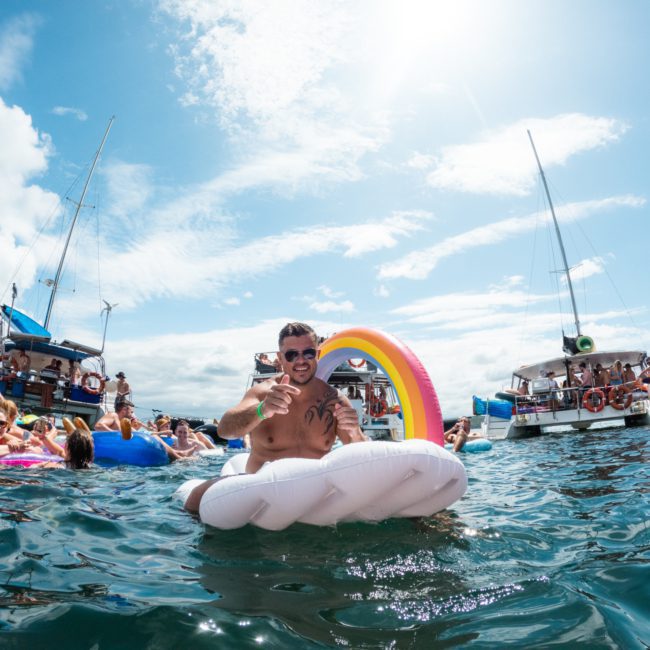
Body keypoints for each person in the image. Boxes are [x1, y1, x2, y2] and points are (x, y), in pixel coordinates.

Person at [185, 322, 367, 512]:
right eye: (291, 354)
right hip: (261, 492)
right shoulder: (262, 393)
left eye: (308, 352)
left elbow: (363, 457)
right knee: (197, 496)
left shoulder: (334, 400)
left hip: (315, 493)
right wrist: (261, 410)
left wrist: (354, 432)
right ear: (280, 358)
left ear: (318, 355)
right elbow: (225, 431)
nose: (301, 360)